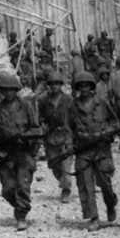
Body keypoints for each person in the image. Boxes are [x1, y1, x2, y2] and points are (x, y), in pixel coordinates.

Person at [0, 72, 42, 230]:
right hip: (6, 153)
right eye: (5, 90)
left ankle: (21, 215)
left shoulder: (26, 106)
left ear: (16, 90)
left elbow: (36, 128)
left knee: (23, 186)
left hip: (23, 152)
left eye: (11, 90)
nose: (8, 93)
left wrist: (27, 139)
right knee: (7, 189)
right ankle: (19, 206)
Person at [67, 70, 119, 230]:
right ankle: (93, 217)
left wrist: (105, 133)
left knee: (105, 184)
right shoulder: (72, 106)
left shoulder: (102, 103)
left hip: (101, 149)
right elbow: (67, 128)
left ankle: (110, 204)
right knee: (85, 185)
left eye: (87, 86)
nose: (84, 89)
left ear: (92, 87)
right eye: (80, 86)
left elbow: (115, 123)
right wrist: (70, 144)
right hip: (83, 150)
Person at [38, 69, 75, 201]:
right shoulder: (43, 100)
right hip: (51, 136)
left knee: (66, 165)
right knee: (54, 164)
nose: (54, 86)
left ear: (61, 85)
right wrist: (42, 124)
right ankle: (62, 180)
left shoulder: (68, 100)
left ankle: (66, 189)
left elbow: (74, 118)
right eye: (52, 84)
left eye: (57, 84)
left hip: (66, 135)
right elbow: (39, 117)